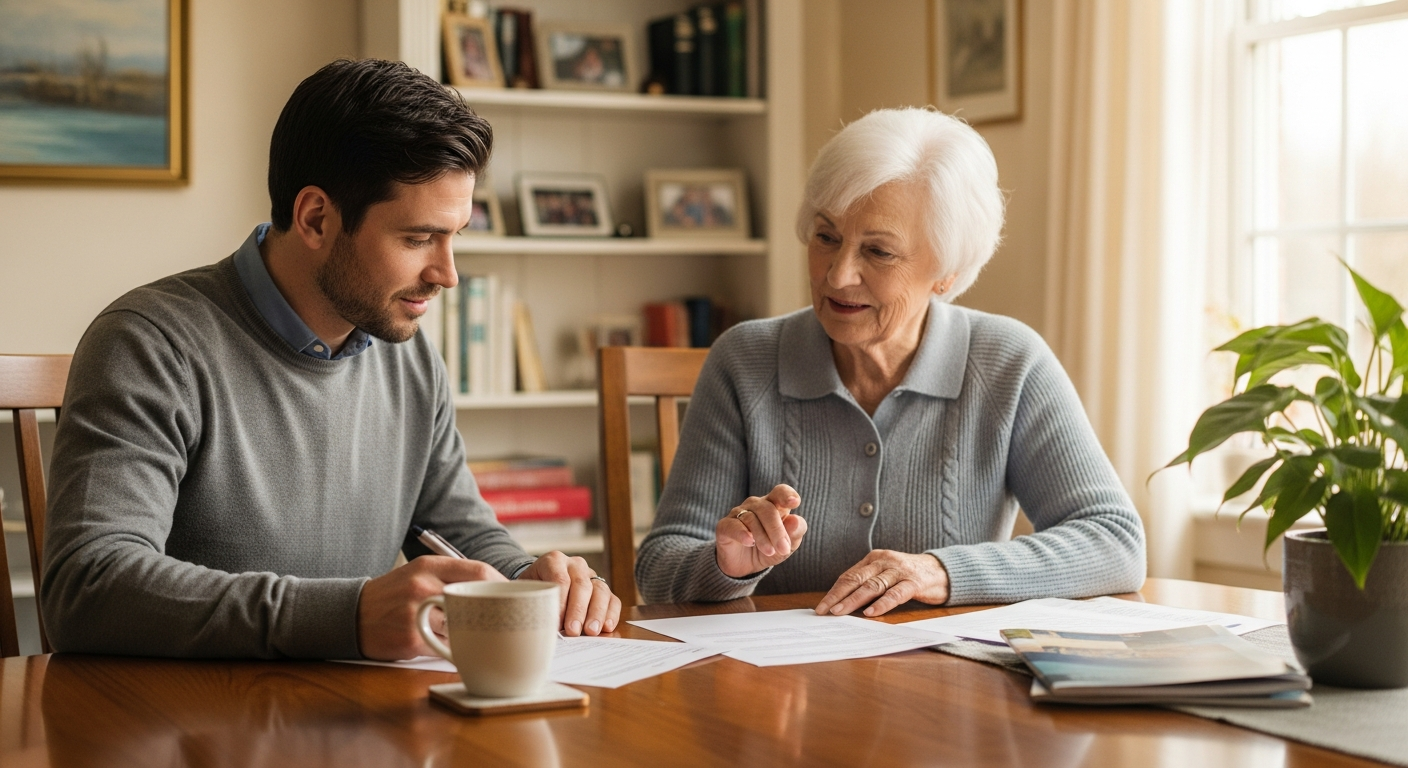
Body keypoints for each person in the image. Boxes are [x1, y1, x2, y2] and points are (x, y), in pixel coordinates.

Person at [41, 59, 621, 660]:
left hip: (351, 720)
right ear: (316, 217)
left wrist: (529, 580)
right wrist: (348, 616)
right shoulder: (149, 343)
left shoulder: (409, 357)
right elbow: (88, 584)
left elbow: (458, 537)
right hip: (183, 730)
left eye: (456, 237)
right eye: (418, 239)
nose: (447, 274)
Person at [635, 108, 1145, 615]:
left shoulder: (1009, 362)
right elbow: (659, 568)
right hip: (782, 688)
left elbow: (1114, 542)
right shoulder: (744, 361)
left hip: (947, 685)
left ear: (946, 271)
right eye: (826, 237)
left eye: (878, 252)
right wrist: (725, 565)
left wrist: (940, 572)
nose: (837, 276)